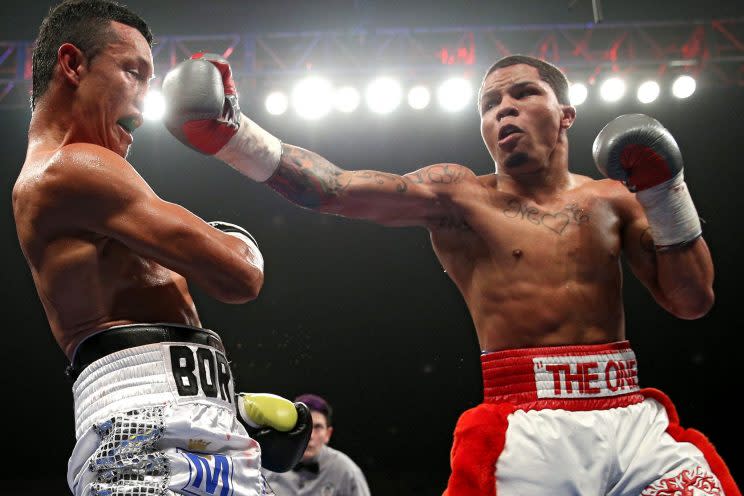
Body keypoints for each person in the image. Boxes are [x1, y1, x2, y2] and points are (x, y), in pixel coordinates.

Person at [163, 53, 741, 495]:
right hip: (527, 427)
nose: (503, 109)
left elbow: (691, 300)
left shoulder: (617, 198)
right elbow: (334, 189)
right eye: (491, 104)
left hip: (630, 413)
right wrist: (234, 134)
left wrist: (667, 194)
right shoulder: (460, 197)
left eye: (523, 94)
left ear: (565, 115)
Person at [12, 2, 309, 495]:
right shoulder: (73, 167)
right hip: (143, 439)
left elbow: (144, 333)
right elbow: (240, 276)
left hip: (171, 425)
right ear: (72, 65)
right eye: (133, 72)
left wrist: (228, 409)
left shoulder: (78, 181)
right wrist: (239, 238)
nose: (144, 104)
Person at [263, 394, 371, 496]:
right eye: (303, 426)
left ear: (328, 434)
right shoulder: (268, 464)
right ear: (292, 428)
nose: (310, 436)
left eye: (318, 427)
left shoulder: (347, 472)